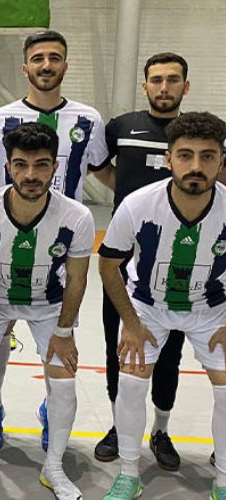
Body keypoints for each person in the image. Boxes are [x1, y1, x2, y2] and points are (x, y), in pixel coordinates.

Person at [0, 29, 108, 452]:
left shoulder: (88, 119)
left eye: (54, 57)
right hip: (7, 245)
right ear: (25, 66)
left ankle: (51, 410)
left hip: (62, 251)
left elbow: (105, 173)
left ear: (65, 64)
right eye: (38, 58)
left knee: (59, 343)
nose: (46, 65)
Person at [0, 122, 93, 500]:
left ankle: (54, 467)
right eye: (21, 164)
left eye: (41, 165)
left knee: (64, 382)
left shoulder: (76, 216)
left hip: (50, 304)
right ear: (7, 167)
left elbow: (77, 279)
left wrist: (64, 333)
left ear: (55, 167)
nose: (31, 174)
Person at [98, 111, 226, 500]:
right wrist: (131, 322)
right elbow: (108, 264)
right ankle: (128, 474)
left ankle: (223, 480)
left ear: (222, 161)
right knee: (131, 380)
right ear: (169, 159)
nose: (196, 166)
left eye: (207, 156)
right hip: (148, 306)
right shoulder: (138, 204)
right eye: (185, 155)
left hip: (211, 309)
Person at [91, 52, 191, 469]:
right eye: (157, 80)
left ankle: (161, 429)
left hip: (178, 261)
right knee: (119, 346)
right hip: (122, 262)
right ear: (144, 85)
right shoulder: (121, 128)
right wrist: (128, 198)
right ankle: (120, 425)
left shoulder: (196, 133)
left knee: (170, 353)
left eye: (173, 80)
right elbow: (101, 170)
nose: (164, 87)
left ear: (186, 86)